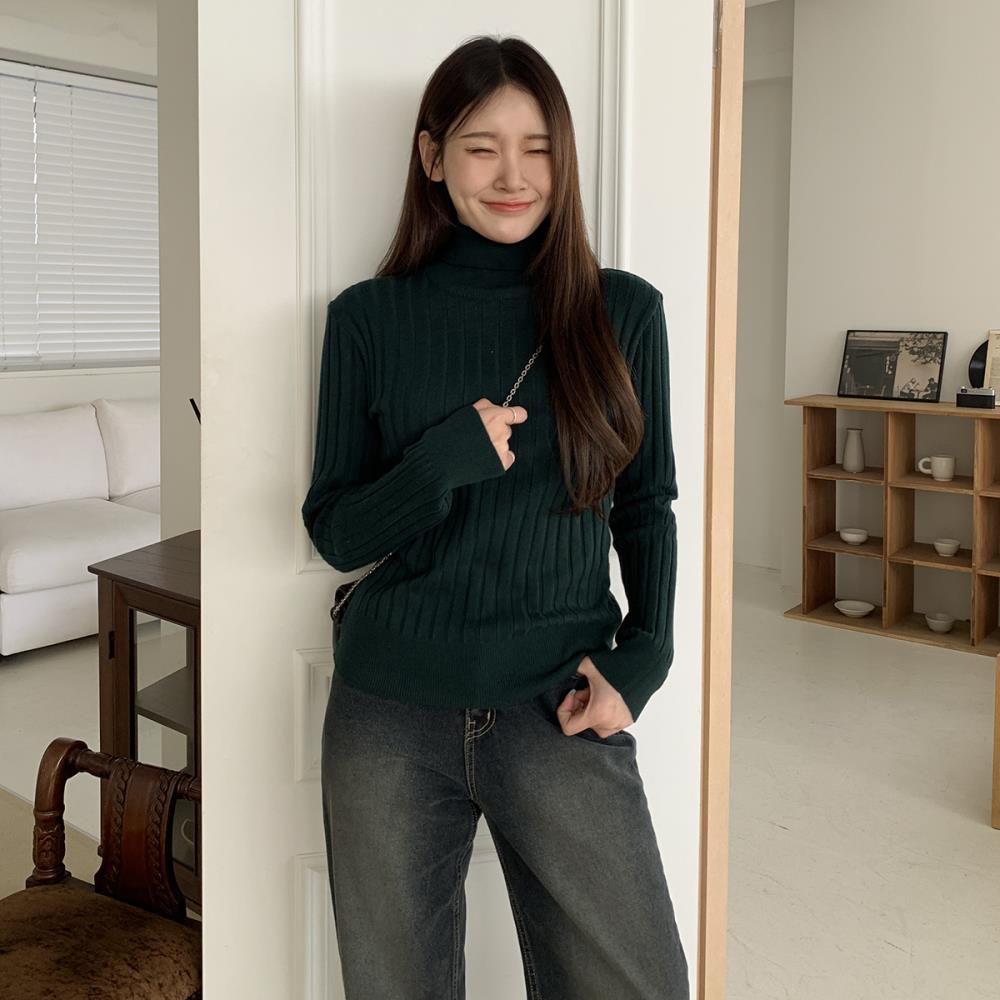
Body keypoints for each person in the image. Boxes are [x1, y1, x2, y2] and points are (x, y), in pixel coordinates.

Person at [302, 34, 688, 1000]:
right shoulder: (366, 319)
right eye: (482, 147)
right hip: (389, 713)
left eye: (538, 148)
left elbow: (647, 503)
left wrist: (645, 656)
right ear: (433, 158)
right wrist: (440, 462)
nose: (513, 176)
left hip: (560, 705)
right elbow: (336, 532)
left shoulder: (623, 313)